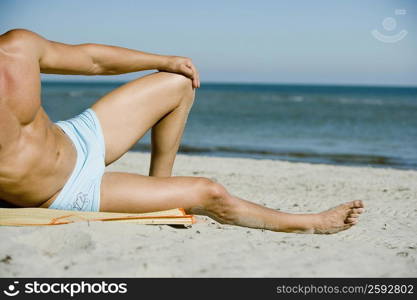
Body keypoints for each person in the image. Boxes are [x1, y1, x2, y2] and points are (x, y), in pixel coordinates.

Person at [0, 29, 364, 234]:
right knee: (210, 192)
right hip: (67, 189)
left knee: (177, 81)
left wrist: (164, 60)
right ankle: (311, 224)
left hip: (75, 137)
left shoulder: (16, 46)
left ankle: (161, 189)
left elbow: (93, 60)